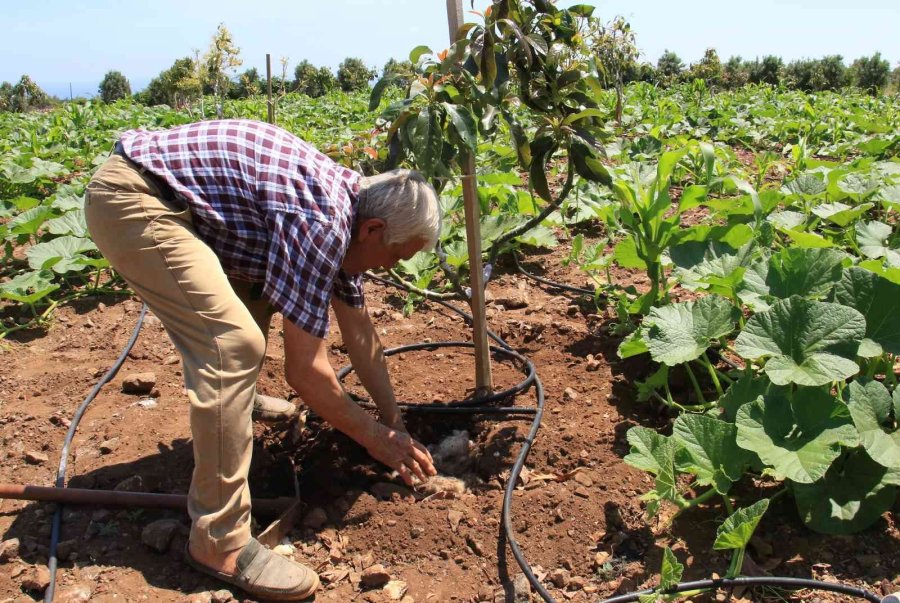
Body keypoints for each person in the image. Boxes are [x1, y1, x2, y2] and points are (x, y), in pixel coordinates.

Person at [84, 119, 440, 601]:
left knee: (262, 292)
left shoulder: (347, 213)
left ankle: (239, 404)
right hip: (137, 201)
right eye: (396, 257)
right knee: (232, 345)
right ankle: (219, 541)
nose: (390, 268)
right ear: (373, 230)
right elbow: (305, 374)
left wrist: (395, 422)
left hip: (181, 205)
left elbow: (361, 333)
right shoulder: (322, 222)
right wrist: (376, 439)